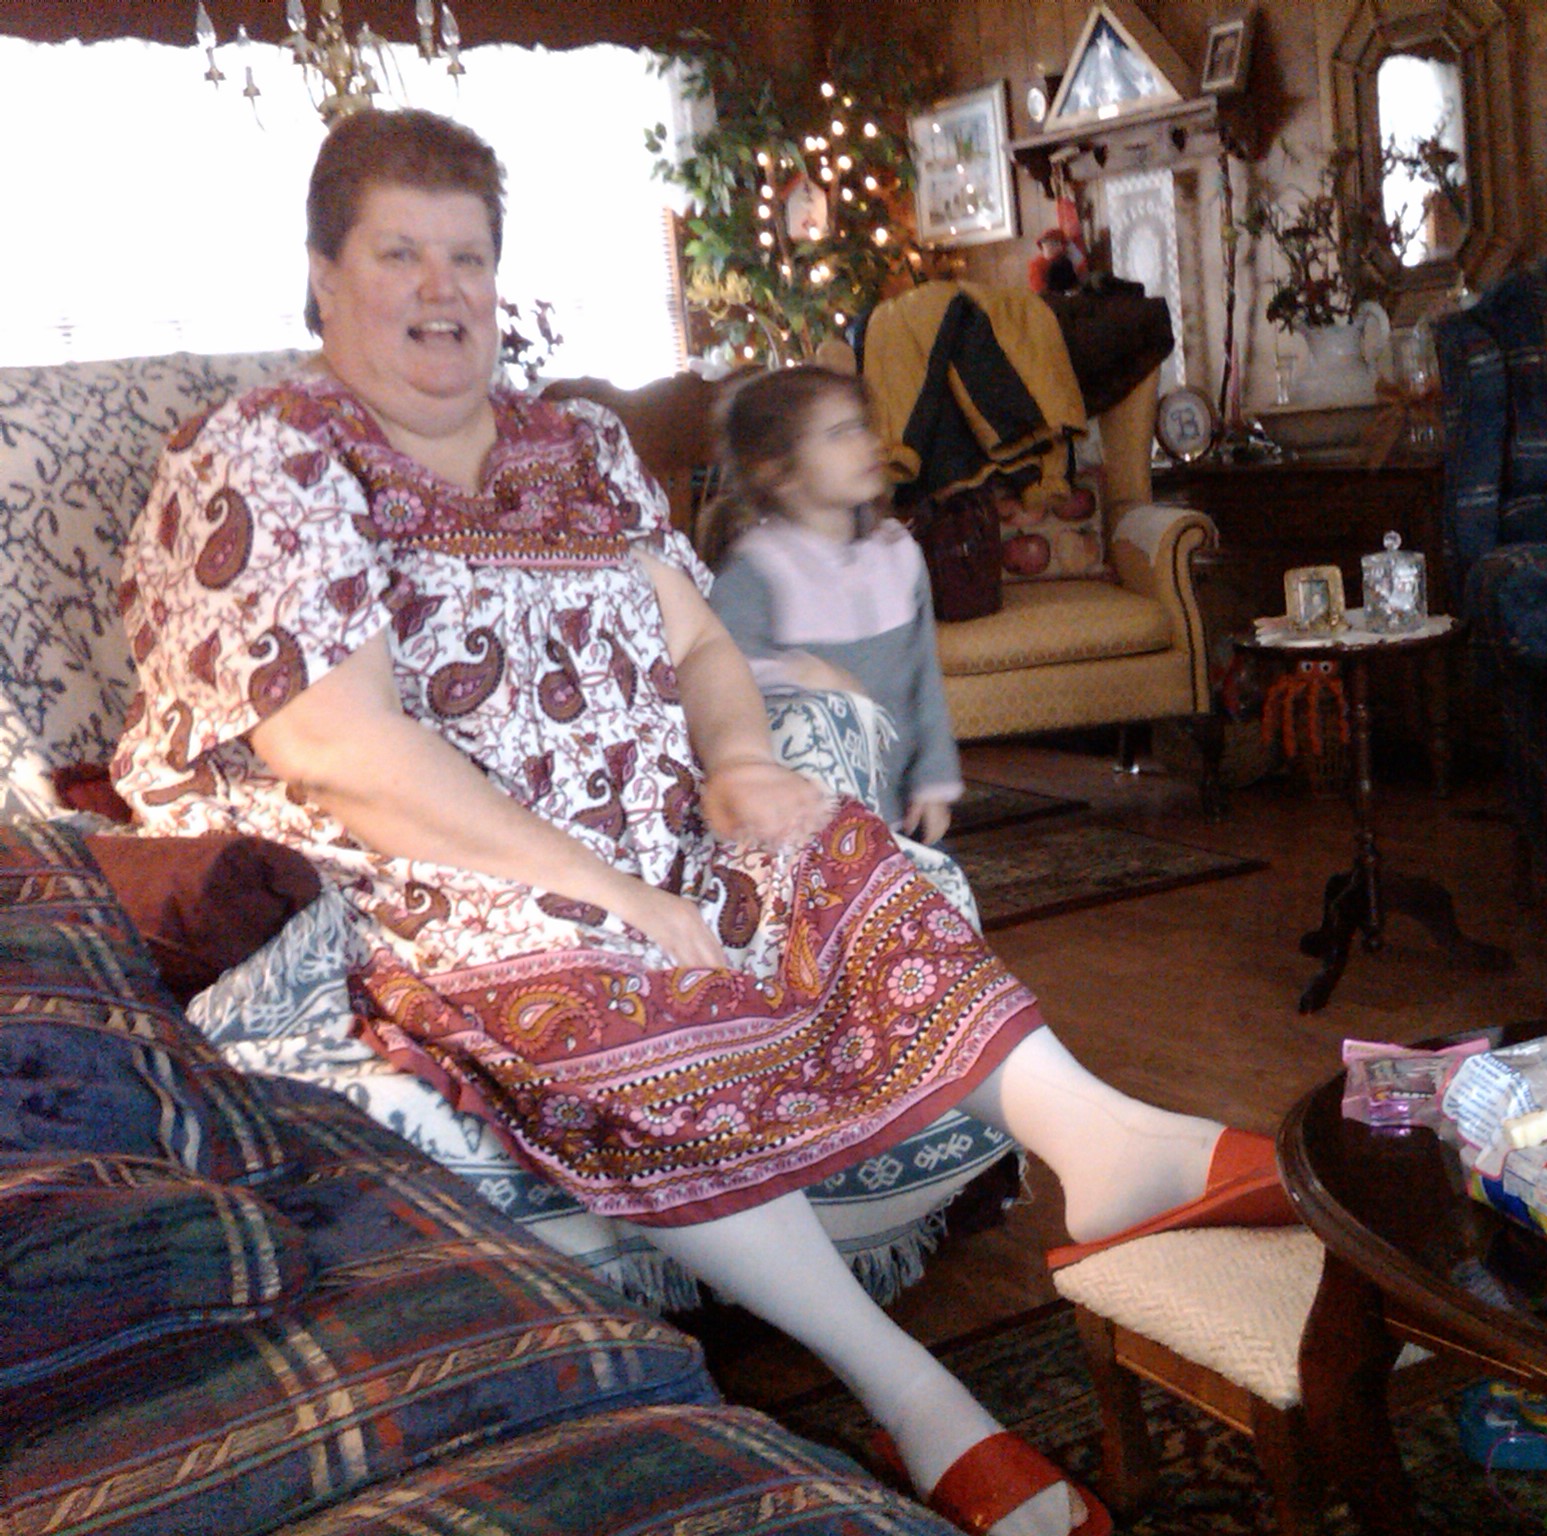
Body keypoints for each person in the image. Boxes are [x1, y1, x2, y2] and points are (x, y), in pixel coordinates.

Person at [111, 108, 1291, 1536]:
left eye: (467, 256)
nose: (440, 289)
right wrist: (611, 892)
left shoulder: (578, 446)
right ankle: (915, 1393)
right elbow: (339, 748)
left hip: (652, 835)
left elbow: (701, 648)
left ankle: (1105, 1149)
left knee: (825, 841)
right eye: (397, 253)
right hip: (428, 873)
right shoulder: (269, 452)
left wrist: (735, 767)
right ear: (321, 275)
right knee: (605, 977)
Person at [702, 366, 959, 845]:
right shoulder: (758, 570)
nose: (868, 444)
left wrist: (934, 783)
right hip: (809, 830)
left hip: (903, 817)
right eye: (840, 434)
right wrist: (796, 673)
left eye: (863, 426)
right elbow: (715, 680)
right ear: (776, 470)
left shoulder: (898, 553)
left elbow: (926, 678)